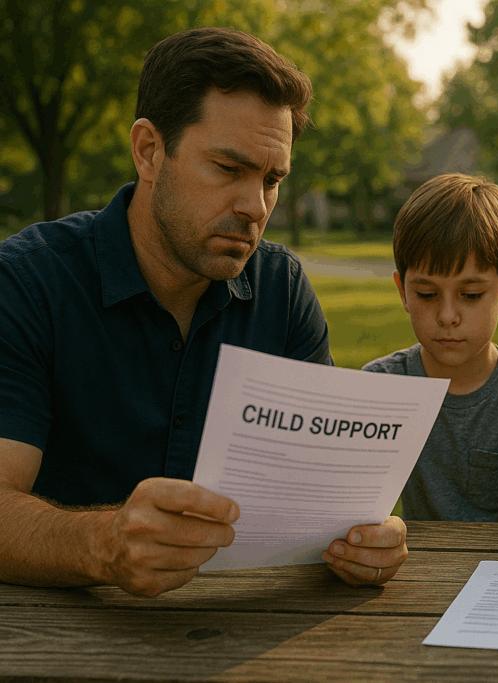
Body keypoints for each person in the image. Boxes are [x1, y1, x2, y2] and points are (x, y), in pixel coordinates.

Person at [0, 27, 406, 597]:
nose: (255, 206)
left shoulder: (283, 291)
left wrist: (363, 536)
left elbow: (318, 497)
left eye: (272, 179)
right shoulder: (27, 283)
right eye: (227, 168)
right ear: (148, 150)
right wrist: (104, 543)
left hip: (241, 639)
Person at [363, 173, 498, 522]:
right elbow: (356, 522)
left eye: (471, 295)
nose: (447, 316)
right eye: (426, 295)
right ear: (402, 291)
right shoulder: (379, 387)